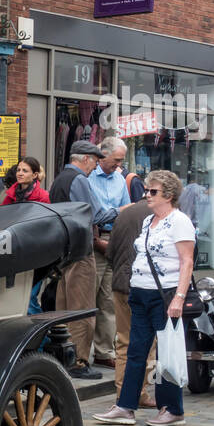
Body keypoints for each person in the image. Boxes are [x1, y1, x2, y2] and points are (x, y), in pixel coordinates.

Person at [93, 170, 196, 426]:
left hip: (165, 294)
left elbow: (187, 262)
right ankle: (126, 405)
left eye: (153, 191)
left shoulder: (179, 221)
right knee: (136, 350)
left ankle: (172, 408)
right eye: (147, 190)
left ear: (169, 195)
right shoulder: (149, 220)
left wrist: (179, 298)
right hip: (140, 292)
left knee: (165, 352)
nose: (146, 195)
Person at [49, 140, 115, 379]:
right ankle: (78, 361)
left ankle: (64, 358)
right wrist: (123, 210)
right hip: (79, 251)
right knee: (82, 310)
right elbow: (96, 214)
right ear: (85, 159)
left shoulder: (59, 179)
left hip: (64, 251)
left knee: (64, 308)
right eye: (95, 162)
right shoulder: (78, 179)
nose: (95, 167)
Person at [106, 199, 157, 409]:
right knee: (148, 343)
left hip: (121, 282)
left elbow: (110, 252)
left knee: (124, 342)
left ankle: (122, 392)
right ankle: (140, 392)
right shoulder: (164, 215)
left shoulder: (125, 213)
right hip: (145, 286)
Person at [88, 138, 132, 369]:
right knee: (88, 296)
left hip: (113, 239)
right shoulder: (87, 177)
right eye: (116, 160)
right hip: (93, 241)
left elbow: (126, 209)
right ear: (103, 155)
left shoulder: (119, 179)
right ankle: (82, 353)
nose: (119, 165)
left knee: (109, 299)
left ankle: (104, 351)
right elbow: (92, 214)